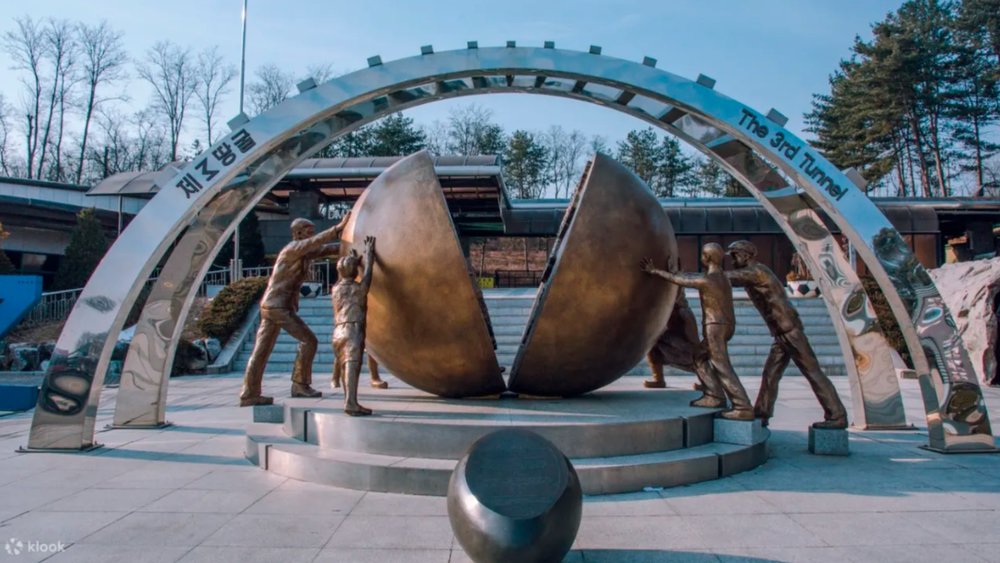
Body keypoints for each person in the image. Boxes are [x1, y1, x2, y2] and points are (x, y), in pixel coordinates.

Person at [725, 240, 848, 429]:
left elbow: (725, 277)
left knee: (812, 372)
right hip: (781, 332)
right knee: (771, 373)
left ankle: (836, 415)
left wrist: (698, 271)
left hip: (789, 331)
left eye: (735, 255)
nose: (732, 260)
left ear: (746, 255)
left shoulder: (756, 272)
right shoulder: (755, 270)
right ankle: (762, 412)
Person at [239, 213, 350, 407]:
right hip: (277, 307)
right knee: (309, 341)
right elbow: (317, 242)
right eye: (308, 232)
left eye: (312, 232)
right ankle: (300, 385)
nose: (311, 235)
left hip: (273, 305)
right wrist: (338, 228)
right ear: (298, 233)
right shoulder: (292, 249)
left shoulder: (304, 253)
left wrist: (353, 246)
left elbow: (328, 248)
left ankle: (249, 393)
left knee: (261, 351)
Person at [641, 244, 754, 419]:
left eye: (702, 255)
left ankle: (742, 406)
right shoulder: (721, 277)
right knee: (699, 357)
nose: (701, 257)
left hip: (715, 327)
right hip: (725, 325)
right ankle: (714, 395)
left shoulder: (708, 280)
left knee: (722, 366)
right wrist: (674, 270)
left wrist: (654, 271)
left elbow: (683, 281)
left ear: (707, 258)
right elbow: (685, 277)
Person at [643, 291, 727, 407]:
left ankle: (707, 382)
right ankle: (659, 379)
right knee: (653, 345)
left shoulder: (683, 313)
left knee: (692, 356)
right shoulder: (667, 311)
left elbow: (693, 341)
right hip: (670, 332)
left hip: (681, 333)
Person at [331, 236, 376, 416]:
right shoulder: (358, 289)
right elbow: (369, 274)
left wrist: (352, 261)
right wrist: (369, 256)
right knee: (352, 365)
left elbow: (345, 272)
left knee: (343, 365)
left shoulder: (335, 289)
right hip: (352, 328)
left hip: (338, 331)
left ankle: (348, 400)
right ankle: (351, 402)